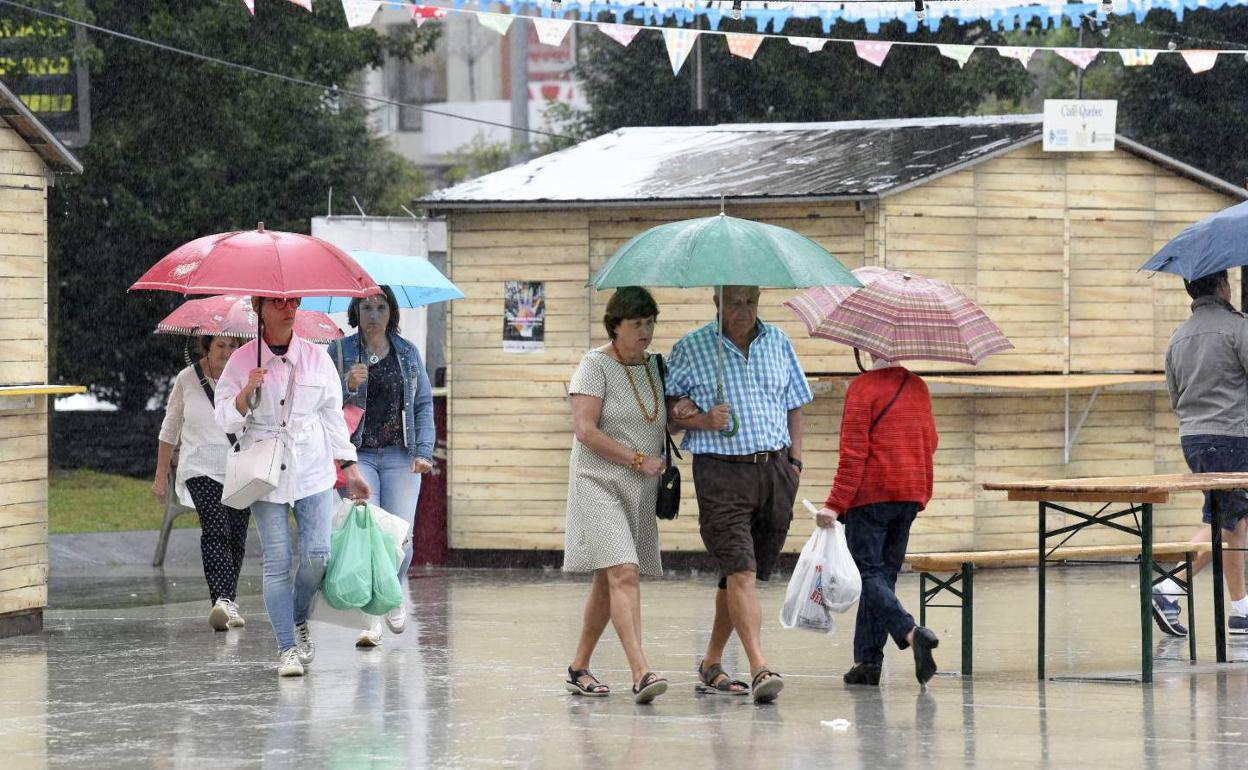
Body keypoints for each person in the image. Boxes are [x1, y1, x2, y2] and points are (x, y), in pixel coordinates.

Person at [666, 285, 811, 704]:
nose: (743, 310)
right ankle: (759, 664)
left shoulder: (779, 342)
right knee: (743, 571)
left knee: (738, 573)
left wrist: (795, 464)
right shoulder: (693, 347)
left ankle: (711, 662)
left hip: (774, 471)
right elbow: (672, 413)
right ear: (717, 303)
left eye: (750, 301)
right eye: (734, 302)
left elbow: (796, 403)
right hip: (722, 474)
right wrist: (704, 419)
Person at [215, 296, 371, 677]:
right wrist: (244, 395)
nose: (288, 308)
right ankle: (286, 646)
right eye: (279, 302)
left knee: (318, 554)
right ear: (260, 307)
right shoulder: (242, 360)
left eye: (293, 301)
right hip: (265, 470)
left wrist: (349, 466)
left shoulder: (317, 358)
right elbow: (224, 417)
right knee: (278, 561)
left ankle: (298, 614)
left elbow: (333, 417)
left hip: (313, 468)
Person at [562, 286, 668, 704]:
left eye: (650, 322)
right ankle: (641, 671)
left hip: (639, 487)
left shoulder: (655, 365)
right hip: (598, 482)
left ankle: (578, 668)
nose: (646, 331)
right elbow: (585, 430)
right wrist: (637, 458)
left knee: (609, 582)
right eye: (637, 323)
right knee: (624, 571)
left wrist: (690, 418)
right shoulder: (594, 365)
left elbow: (657, 420)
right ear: (615, 325)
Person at [814, 356, 940, 687]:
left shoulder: (862, 389)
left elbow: (853, 454)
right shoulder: (919, 388)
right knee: (883, 578)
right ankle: (867, 663)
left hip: (871, 497)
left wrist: (834, 504)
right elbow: (932, 443)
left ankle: (911, 632)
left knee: (867, 575)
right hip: (910, 494)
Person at [324, 286, 435, 648]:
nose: (373, 314)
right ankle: (371, 619)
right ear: (355, 311)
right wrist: (345, 384)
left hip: (401, 454)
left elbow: (422, 405)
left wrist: (423, 451)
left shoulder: (407, 353)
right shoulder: (340, 351)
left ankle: (394, 593)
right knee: (368, 534)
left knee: (401, 536)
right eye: (366, 307)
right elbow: (320, 404)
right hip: (360, 455)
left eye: (380, 307)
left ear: (392, 312)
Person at [1153, 269, 1248, 637]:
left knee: (1235, 520)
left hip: (1193, 439)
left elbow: (1175, 396)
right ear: (1223, 285)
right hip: (1232, 437)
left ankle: (1240, 610)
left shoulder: (1178, 336)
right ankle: (1168, 588)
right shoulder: (1237, 327)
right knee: (1224, 522)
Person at [154, 334, 250, 631]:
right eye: (221, 345)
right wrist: (160, 476)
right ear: (206, 347)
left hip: (240, 467)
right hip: (199, 466)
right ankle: (221, 599)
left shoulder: (246, 377)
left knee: (236, 534)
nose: (227, 352)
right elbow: (170, 426)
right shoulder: (187, 378)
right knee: (216, 528)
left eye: (234, 346)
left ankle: (228, 602)